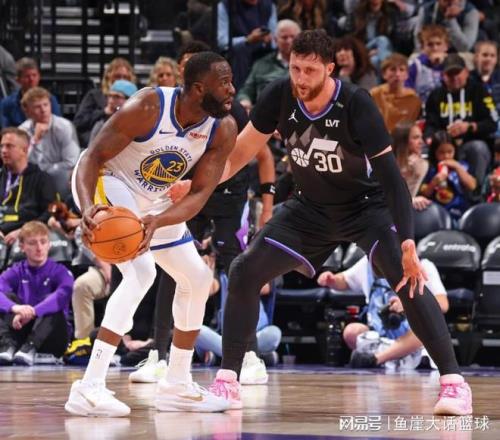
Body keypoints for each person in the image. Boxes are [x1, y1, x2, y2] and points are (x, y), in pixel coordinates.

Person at [203, 29, 472, 415]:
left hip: (365, 208)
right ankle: (228, 382)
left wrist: (409, 242)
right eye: (295, 68)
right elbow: (239, 154)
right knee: (244, 270)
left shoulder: (356, 104)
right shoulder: (279, 95)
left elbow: (393, 180)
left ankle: (454, 384)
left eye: (310, 70)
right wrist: (195, 186)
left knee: (406, 278)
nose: (300, 79)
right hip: (309, 209)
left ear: (330, 69)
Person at [64, 51, 238, 417]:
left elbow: (199, 194)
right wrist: (88, 207)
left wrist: (158, 220)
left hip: (153, 198)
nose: (232, 90)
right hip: (107, 181)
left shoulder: (223, 128)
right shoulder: (148, 106)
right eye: (224, 84)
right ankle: (90, 386)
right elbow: (93, 157)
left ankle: (176, 383)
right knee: (141, 272)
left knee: (196, 277)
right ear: (198, 89)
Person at [128, 40, 276, 383]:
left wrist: (267, 206)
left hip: (228, 194)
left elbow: (263, 155)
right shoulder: (168, 106)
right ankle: (159, 355)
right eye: (185, 65)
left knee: (236, 266)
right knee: (171, 266)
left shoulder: (229, 109)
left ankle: (249, 354)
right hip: (185, 192)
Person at [317, 255, 448, 369]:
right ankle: (390, 356)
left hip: (412, 339)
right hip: (380, 336)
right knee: (351, 331)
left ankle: (377, 359)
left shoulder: (423, 265)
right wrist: (332, 280)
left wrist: (409, 304)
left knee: (425, 329)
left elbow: (443, 304)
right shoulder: (368, 263)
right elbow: (345, 280)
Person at [0, 221, 74, 366]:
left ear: (49, 245)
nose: (39, 248)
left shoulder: (61, 272)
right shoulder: (16, 270)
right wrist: (15, 308)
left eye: (43, 242)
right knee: (7, 299)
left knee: (51, 302)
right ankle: (6, 346)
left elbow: (60, 297)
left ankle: (30, 346)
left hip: (53, 338)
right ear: (22, 247)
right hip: (22, 331)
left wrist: (33, 312)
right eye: (32, 243)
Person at [424, 53, 498, 185]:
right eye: (450, 74)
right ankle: (435, 190)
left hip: (470, 143)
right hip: (444, 146)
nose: (454, 77)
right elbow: (430, 124)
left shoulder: (480, 91)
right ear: (443, 75)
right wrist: (431, 137)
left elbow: (492, 123)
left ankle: (477, 191)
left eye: (457, 73)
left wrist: (470, 127)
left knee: (478, 148)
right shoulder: (435, 96)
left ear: (466, 72)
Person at [18, 86, 80, 196]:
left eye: (46, 105)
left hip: (59, 177)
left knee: (62, 174)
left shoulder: (64, 127)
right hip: (33, 179)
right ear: (27, 111)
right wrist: (35, 140)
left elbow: (71, 161)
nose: (43, 110)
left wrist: (43, 171)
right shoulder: (23, 130)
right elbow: (20, 162)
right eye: (37, 107)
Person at [0, 127, 57, 245]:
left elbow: (51, 211)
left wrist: (24, 231)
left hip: (27, 237)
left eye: (9, 146)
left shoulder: (42, 179)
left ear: (25, 150)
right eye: (2, 146)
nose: (3, 150)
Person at [237, 19, 301, 112]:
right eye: (284, 37)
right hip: (263, 113)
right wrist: (245, 101)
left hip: (296, 113)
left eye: (293, 37)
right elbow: (246, 91)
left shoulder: (307, 65)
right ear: (275, 40)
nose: (289, 41)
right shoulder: (261, 63)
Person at [73, 57, 136, 148]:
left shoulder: (135, 97)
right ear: (108, 77)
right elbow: (79, 123)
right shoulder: (94, 95)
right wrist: (104, 112)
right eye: (117, 76)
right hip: (95, 141)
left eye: (125, 77)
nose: (121, 80)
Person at [420, 131, 477, 221]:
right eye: (441, 152)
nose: (446, 156)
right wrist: (434, 182)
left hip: (460, 211)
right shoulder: (429, 168)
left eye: (450, 152)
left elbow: (472, 186)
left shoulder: (463, 166)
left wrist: (457, 167)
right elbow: (425, 194)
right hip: (436, 212)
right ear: (434, 152)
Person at [0, 57, 61, 128]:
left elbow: (56, 124)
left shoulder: (50, 99)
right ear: (18, 80)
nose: (31, 79)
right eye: (27, 76)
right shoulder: (7, 103)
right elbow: (6, 130)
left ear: (39, 77)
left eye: (34, 75)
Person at [370, 53, 421, 133]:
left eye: (401, 70)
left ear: (407, 75)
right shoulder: (374, 94)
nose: (397, 74)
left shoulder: (414, 99)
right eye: (393, 69)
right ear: (384, 74)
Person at [391, 121, 430, 210]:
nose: (421, 142)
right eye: (416, 138)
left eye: (421, 137)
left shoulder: (422, 164)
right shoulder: (385, 164)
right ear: (402, 141)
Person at [406, 24, 449, 104]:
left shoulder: (453, 64)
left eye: (438, 44)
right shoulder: (415, 66)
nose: (435, 48)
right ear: (422, 47)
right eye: (430, 44)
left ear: (446, 46)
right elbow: (407, 91)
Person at [414, 0, 480, 52]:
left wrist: (450, 20)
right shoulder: (426, 10)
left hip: (457, 53)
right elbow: (417, 39)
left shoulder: (470, 12)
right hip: (430, 50)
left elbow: (464, 48)